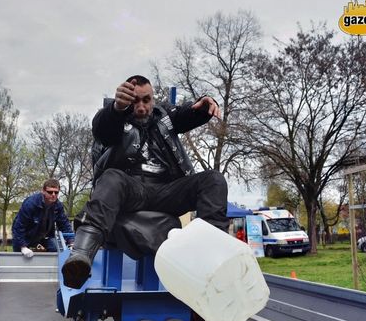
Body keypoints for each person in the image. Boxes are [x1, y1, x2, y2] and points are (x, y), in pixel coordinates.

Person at [63, 75, 229, 289]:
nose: (141, 108)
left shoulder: (164, 116)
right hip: (131, 189)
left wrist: (203, 106)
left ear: (153, 99)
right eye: (135, 102)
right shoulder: (112, 118)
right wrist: (116, 108)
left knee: (213, 180)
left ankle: (212, 259)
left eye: (146, 100)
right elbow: (102, 129)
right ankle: (81, 256)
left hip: (166, 192)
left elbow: (186, 113)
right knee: (111, 177)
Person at [12, 179, 74, 257]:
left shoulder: (58, 206)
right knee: (19, 260)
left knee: (55, 247)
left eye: (56, 192)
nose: (53, 195)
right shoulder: (30, 204)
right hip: (26, 237)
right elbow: (19, 227)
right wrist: (23, 247)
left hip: (43, 237)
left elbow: (64, 224)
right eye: (50, 192)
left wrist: (71, 242)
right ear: (43, 191)